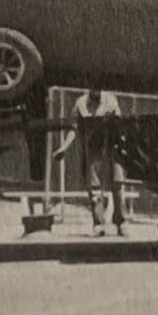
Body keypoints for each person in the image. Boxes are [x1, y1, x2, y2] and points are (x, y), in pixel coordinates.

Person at [53, 89, 128, 237]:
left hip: (113, 146)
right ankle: (98, 224)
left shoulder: (111, 100)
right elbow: (74, 129)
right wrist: (64, 148)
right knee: (94, 188)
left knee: (118, 184)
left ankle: (121, 222)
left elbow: (120, 126)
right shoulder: (80, 103)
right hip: (93, 148)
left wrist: (124, 145)